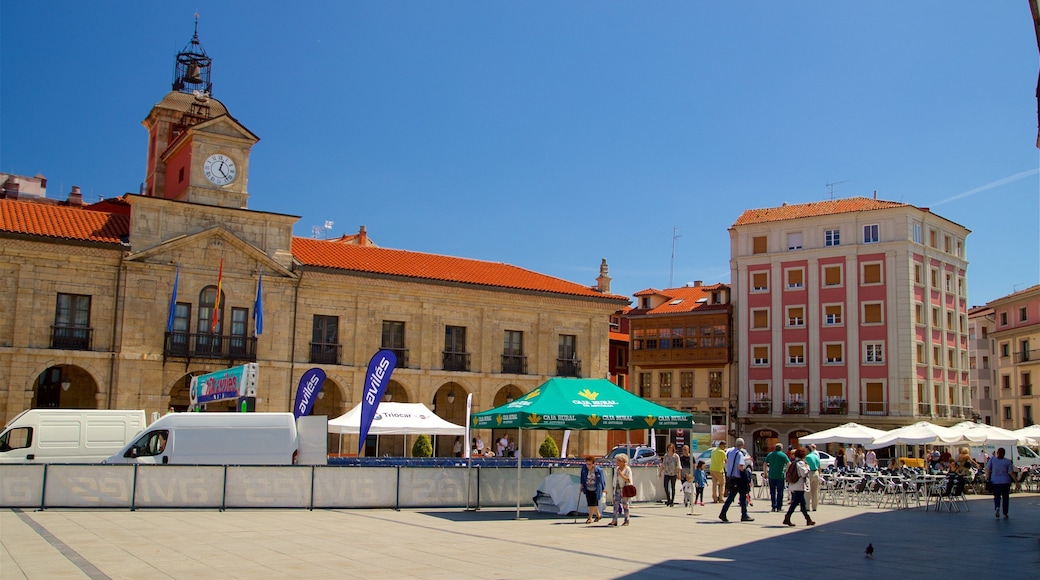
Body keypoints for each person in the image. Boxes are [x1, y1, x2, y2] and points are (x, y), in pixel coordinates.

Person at [718, 438, 753, 522]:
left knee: (731, 497)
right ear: (742, 445)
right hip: (739, 478)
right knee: (743, 497)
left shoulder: (730, 452)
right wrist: (746, 472)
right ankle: (744, 515)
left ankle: (723, 513)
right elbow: (740, 467)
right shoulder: (740, 454)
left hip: (731, 477)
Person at [782, 448, 815, 527]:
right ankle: (788, 518)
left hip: (795, 484)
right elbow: (804, 474)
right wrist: (808, 468)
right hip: (799, 485)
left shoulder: (794, 462)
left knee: (800, 503)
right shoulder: (800, 463)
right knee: (797, 503)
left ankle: (807, 519)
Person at [985, 447, 1015, 519]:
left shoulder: (993, 459)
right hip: (1005, 481)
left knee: (997, 496)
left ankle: (997, 507)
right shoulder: (1007, 461)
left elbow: (987, 469)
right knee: (1005, 498)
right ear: (1004, 454)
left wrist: (987, 477)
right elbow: (1011, 472)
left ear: (997, 452)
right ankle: (1005, 513)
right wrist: (1016, 481)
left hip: (995, 481)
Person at [764, 443, 791, 513]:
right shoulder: (783, 455)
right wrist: (786, 471)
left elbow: (765, 463)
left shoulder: (770, 454)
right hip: (780, 475)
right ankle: (779, 507)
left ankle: (773, 506)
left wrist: (765, 473)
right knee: (780, 491)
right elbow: (789, 463)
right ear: (781, 448)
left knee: (772, 491)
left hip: (771, 475)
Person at [580, 456, 605, 524]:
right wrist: (581, 486)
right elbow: (582, 478)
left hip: (595, 488)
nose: (588, 466)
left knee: (593, 503)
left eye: (590, 464)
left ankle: (590, 518)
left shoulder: (598, 470)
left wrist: (603, 489)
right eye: (587, 464)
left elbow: (602, 480)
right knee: (591, 503)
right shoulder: (584, 468)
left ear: (593, 464)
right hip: (587, 487)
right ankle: (598, 515)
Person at [610, 454, 633, 526]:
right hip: (617, 489)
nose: (617, 462)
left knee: (625, 505)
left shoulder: (627, 469)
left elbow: (628, 480)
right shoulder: (617, 469)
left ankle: (627, 520)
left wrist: (621, 475)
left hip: (624, 489)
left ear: (623, 461)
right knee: (615, 505)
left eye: (619, 460)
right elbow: (615, 478)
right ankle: (614, 520)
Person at [804, 444, 821, 511]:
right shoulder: (816, 456)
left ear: (808, 449)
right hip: (816, 472)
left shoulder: (807, 457)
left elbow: (805, 467)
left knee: (808, 491)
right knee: (815, 491)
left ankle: (807, 507)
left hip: (809, 473)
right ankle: (814, 507)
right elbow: (819, 466)